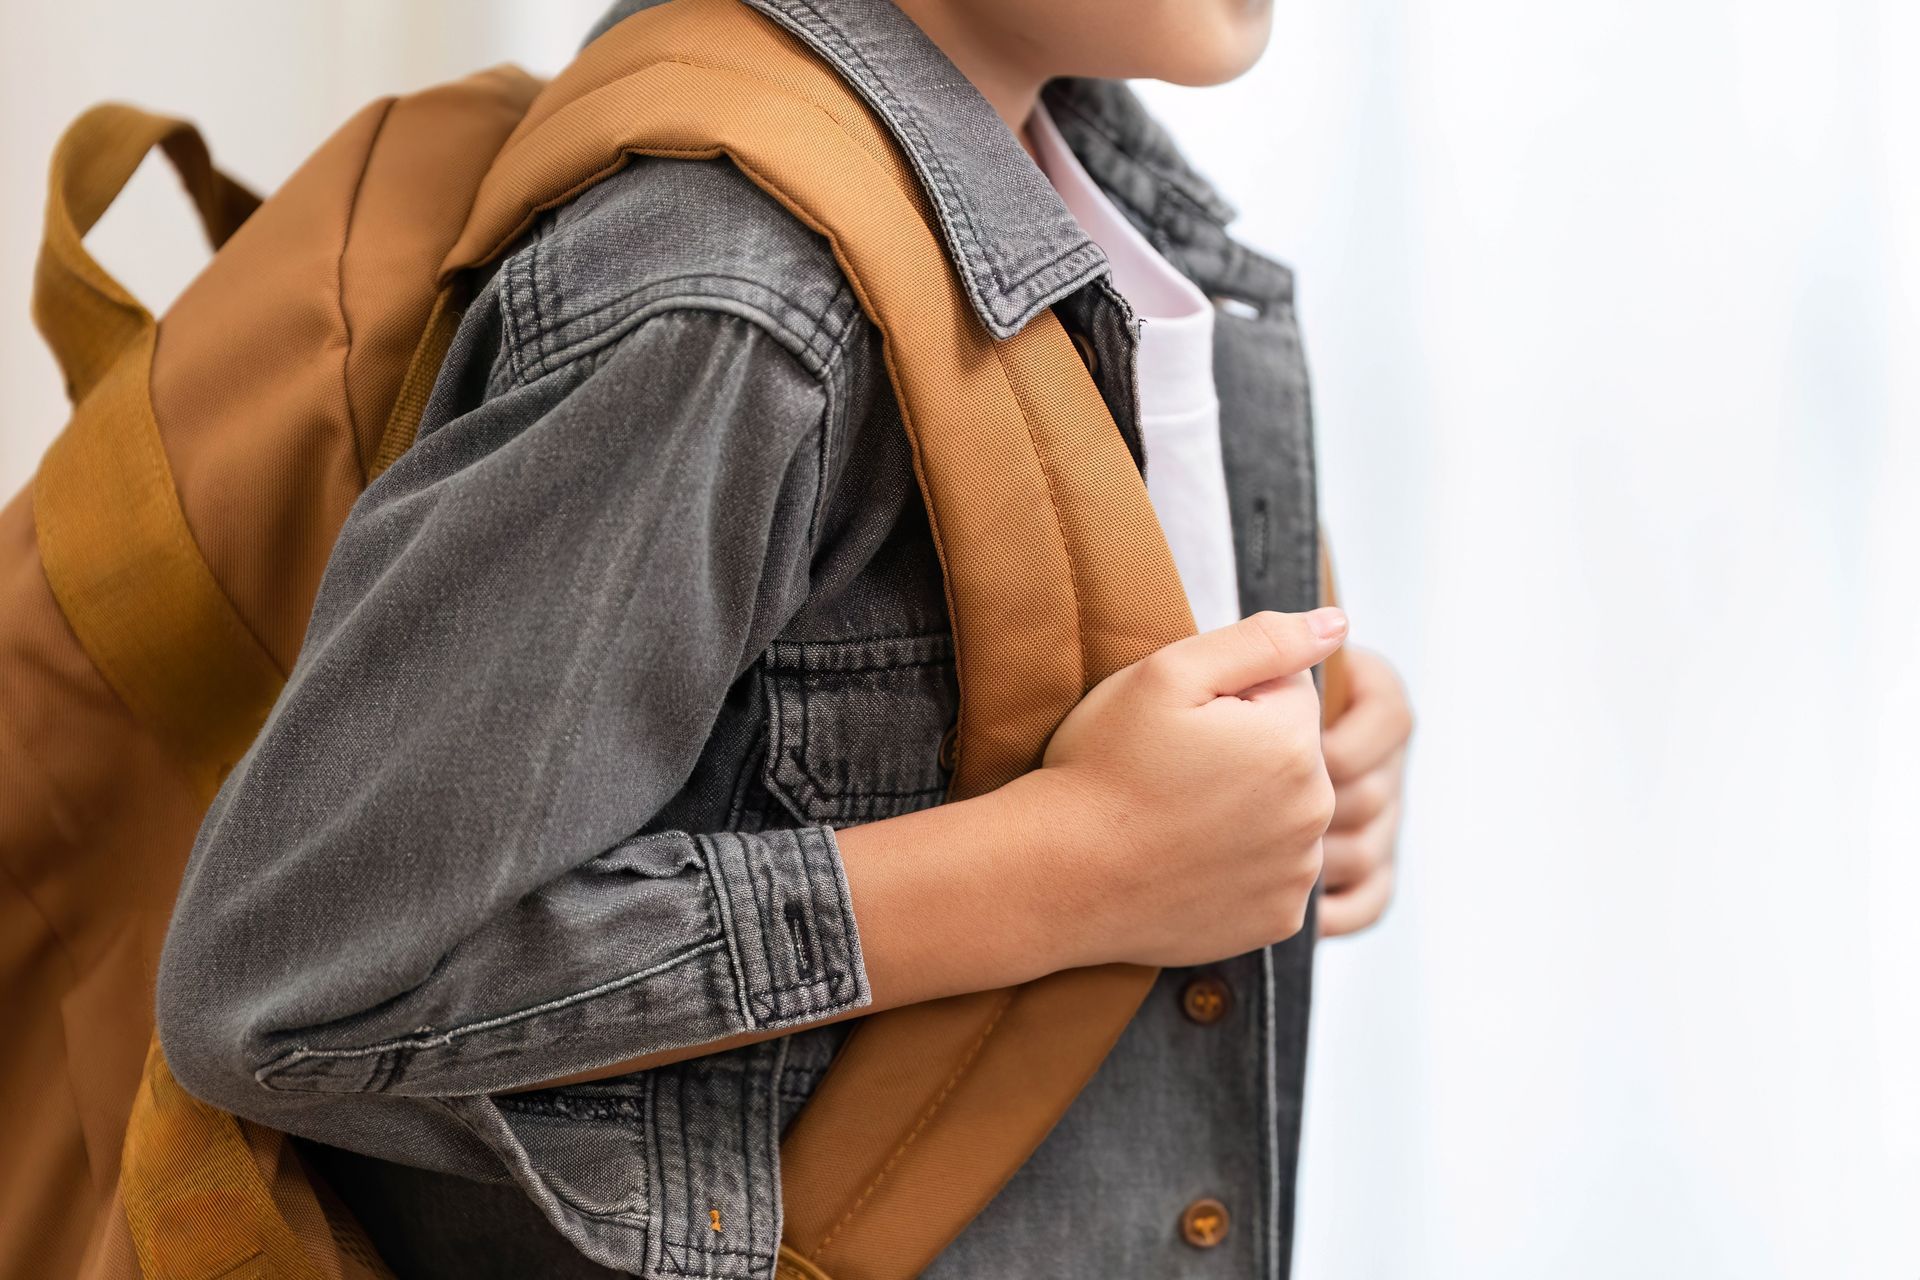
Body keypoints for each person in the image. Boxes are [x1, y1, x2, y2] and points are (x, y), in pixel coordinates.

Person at [154, 0, 1415, 1275]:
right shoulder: (728, 291)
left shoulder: (1080, 174)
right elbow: (300, 989)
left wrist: (1278, 780)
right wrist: (1074, 864)